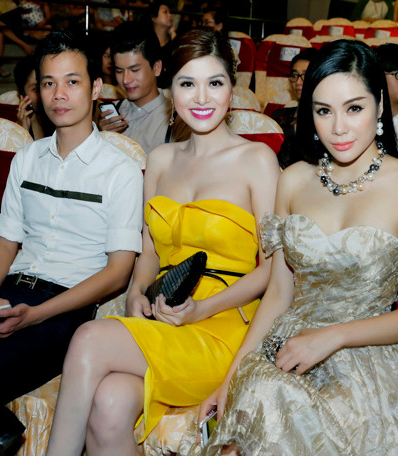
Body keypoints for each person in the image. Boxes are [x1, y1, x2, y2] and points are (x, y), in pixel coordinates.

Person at [194, 39, 398, 456]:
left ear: (379, 105)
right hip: (287, 351)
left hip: (370, 362)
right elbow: (278, 293)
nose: (338, 128)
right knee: (259, 407)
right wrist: (231, 377)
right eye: (323, 111)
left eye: (354, 108)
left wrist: (331, 337)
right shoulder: (294, 179)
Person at [45, 28, 280, 456]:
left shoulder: (257, 160)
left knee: (88, 338)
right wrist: (136, 292)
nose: (201, 98)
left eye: (215, 83)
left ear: (232, 88)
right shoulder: (159, 159)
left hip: (224, 327)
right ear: (172, 89)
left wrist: (202, 309)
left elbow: (273, 270)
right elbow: (149, 253)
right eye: (188, 84)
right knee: (109, 406)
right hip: (166, 315)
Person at [0, 30, 143, 455]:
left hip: (59, 318)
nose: (59, 94)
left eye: (72, 81)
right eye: (48, 82)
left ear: (96, 88)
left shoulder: (120, 170)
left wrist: (34, 315)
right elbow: (5, 241)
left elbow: (118, 273)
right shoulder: (27, 158)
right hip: (6, 298)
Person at [98, 21, 170, 154]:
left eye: (134, 70)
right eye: (119, 71)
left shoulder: (174, 121)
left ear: (156, 67)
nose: (125, 80)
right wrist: (101, 139)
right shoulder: (113, 113)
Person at [271, 48, 318, 169]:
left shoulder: (328, 121)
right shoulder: (279, 117)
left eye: (305, 75)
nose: (298, 82)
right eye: (295, 75)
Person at [14, 54, 54, 139]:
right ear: (22, 93)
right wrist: (23, 133)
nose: (42, 94)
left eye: (48, 84)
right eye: (36, 89)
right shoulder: (14, 133)